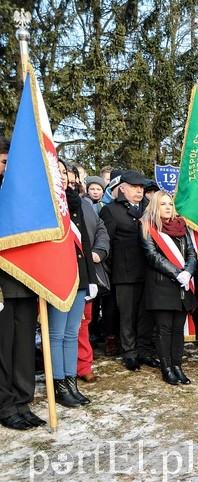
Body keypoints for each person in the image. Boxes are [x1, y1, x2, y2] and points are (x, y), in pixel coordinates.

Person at [0, 138, 48, 430]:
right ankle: (5, 404)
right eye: (4, 161)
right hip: (3, 284)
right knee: (4, 348)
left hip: (27, 278)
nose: (8, 168)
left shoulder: (23, 195)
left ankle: (22, 399)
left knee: (24, 347)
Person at [48, 159, 98, 408]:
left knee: (71, 332)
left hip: (79, 275)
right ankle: (59, 384)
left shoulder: (75, 202)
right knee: (56, 334)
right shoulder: (47, 202)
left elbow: (85, 243)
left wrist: (90, 278)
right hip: (57, 276)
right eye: (58, 172)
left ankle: (70, 382)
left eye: (66, 172)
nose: (64, 176)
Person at [100, 170, 156, 370]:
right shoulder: (111, 210)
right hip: (124, 273)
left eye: (141, 187)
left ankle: (144, 350)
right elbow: (108, 244)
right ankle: (130, 352)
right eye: (134, 187)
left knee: (146, 314)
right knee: (127, 315)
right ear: (122, 188)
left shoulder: (150, 208)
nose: (139, 191)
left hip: (149, 270)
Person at [140, 191, 198, 385]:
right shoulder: (148, 227)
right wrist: (177, 273)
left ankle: (177, 366)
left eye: (170, 204)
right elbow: (152, 255)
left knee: (177, 329)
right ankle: (167, 368)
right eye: (163, 204)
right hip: (161, 286)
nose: (168, 207)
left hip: (182, 286)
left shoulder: (181, 226)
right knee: (164, 329)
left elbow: (191, 253)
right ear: (155, 206)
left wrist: (188, 272)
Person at [77, 176, 111, 383]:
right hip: (61, 269)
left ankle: (84, 364)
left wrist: (99, 251)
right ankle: (63, 371)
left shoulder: (85, 205)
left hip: (87, 270)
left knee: (84, 320)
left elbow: (100, 229)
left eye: (68, 175)